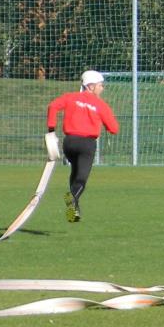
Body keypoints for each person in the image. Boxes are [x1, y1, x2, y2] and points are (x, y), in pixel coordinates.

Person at [46, 71, 119, 223]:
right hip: (87, 144)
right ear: (91, 87)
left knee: (75, 171)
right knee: (81, 178)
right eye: (100, 85)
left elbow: (53, 106)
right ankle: (72, 199)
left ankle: (73, 214)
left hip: (69, 143)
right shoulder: (100, 104)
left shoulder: (70, 97)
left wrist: (51, 130)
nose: (102, 88)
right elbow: (114, 129)